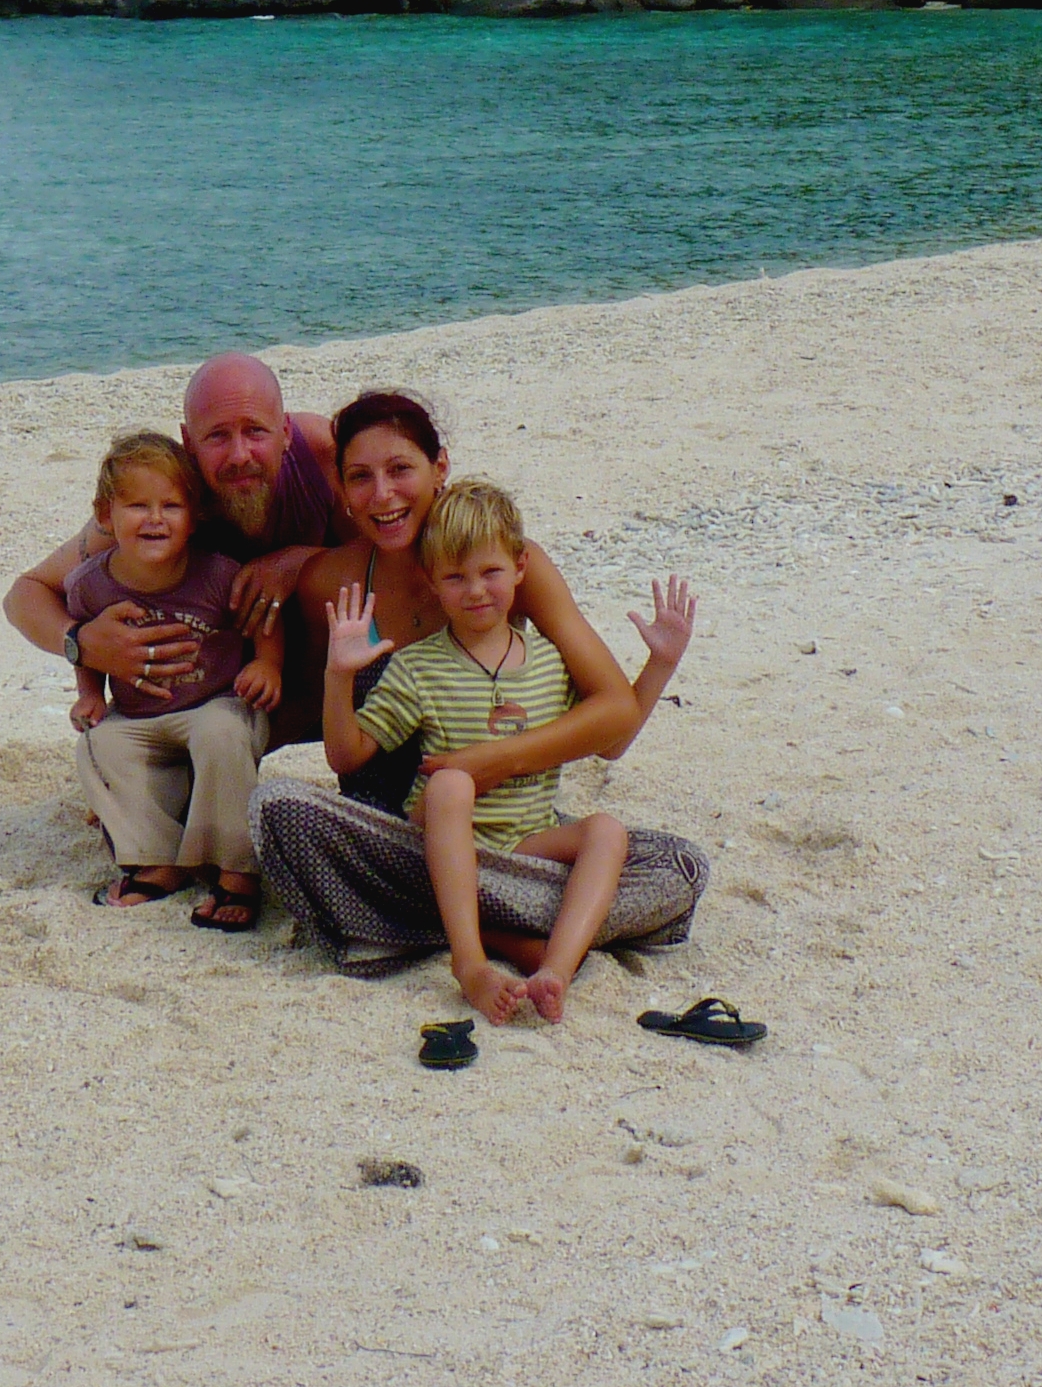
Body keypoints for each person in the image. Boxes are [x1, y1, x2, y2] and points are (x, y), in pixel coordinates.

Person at [251, 390, 711, 980]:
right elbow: (306, 717)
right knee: (278, 810)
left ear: (439, 467)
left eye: (400, 469)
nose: (383, 494)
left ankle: (436, 924)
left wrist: (493, 761)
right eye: (360, 477)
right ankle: (503, 931)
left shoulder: (512, 567)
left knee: (678, 865)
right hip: (390, 842)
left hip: (509, 839)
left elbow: (614, 715)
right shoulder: (328, 581)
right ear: (340, 487)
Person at [322, 482, 628, 1022]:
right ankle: (471, 963)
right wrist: (338, 676)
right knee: (450, 783)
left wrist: (662, 664)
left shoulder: (550, 661)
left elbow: (613, 740)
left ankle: (555, 969)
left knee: (607, 831)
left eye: (490, 572)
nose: (476, 591)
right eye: (455, 578)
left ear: (520, 567)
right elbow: (346, 757)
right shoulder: (418, 667)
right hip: (440, 835)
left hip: (524, 840)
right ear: (431, 581)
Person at [7, 354, 341, 729]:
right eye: (217, 436)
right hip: (211, 700)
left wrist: (300, 562)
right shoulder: (168, 499)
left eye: (255, 431)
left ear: (286, 431)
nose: (239, 455)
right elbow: (25, 593)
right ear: (188, 441)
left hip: (324, 671)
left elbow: (389, 554)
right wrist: (80, 643)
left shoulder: (321, 454)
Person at [61, 433, 275, 926]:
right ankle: (156, 857)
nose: (155, 519)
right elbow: (85, 643)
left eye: (171, 506)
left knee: (221, 733)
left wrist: (267, 664)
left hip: (217, 704)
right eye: (138, 506)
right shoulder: (91, 584)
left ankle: (236, 867)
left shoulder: (217, 574)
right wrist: (89, 694)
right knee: (98, 745)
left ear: (194, 515)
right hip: (139, 714)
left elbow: (263, 618)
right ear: (105, 514)